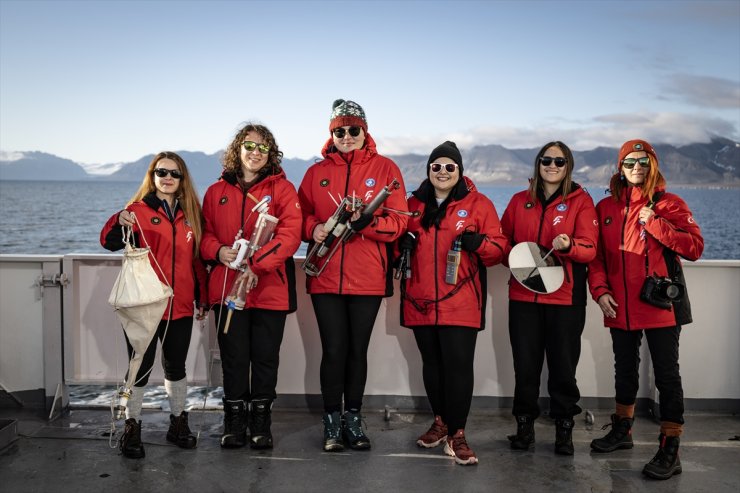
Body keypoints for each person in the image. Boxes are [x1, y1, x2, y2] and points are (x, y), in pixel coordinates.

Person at [588, 139, 703, 479]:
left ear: (653, 165)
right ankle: (622, 431)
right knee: (624, 369)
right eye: (629, 162)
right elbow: (596, 258)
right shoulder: (605, 208)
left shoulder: (669, 203)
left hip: (660, 306)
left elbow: (695, 247)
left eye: (643, 161)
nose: (636, 167)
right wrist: (600, 291)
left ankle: (671, 447)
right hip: (619, 306)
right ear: (619, 168)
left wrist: (655, 223)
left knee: (667, 376)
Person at [298, 99, 408, 452]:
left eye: (353, 130)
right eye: (339, 131)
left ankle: (354, 419)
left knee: (356, 351)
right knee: (334, 350)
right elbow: (298, 218)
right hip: (325, 276)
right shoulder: (316, 173)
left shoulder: (387, 168)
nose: (346, 136)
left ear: (365, 131)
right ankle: (331, 420)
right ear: (332, 133)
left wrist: (370, 223)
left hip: (368, 278)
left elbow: (400, 222)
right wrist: (313, 228)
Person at [399, 141, 507, 465]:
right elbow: (394, 248)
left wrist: (480, 244)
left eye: (449, 167)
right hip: (419, 302)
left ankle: (457, 434)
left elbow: (499, 250)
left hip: (461, 303)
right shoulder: (413, 205)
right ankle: (440, 422)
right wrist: (399, 244)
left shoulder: (478, 204)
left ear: (459, 171)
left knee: (458, 368)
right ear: (428, 170)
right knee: (431, 366)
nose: (442, 172)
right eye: (436, 167)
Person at [200, 123, 302, 450]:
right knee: (233, 358)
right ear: (237, 149)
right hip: (228, 288)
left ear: (270, 153)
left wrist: (257, 265)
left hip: (270, 290)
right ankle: (233, 423)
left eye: (262, 148)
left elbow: (290, 236)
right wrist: (218, 251)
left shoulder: (283, 190)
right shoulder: (216, 193)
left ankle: (261, 424)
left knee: (264, 358)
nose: (255, 153)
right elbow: (204, 235)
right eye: (249, 146)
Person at [100, 151, 208, 459]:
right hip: (144, 305)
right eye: (162, 172)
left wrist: (204, 299)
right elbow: (108, 242)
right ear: (153, 175)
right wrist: (115, 219)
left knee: (176, 367)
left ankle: (177, 424)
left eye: (175, 173)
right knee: (140, 368)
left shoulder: (192, 214)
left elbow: (198, 262)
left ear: (182, 179)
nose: (168, 178)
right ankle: (131, 428)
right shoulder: (136, 211)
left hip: (182, 306)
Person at [500, 141, 598, 455]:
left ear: (568, 166)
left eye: (559, 161)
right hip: (524, 299)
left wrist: (569, 245)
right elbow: (505, 246)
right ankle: (524, 427)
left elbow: (590, 250)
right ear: (538, 164)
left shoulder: (581, 202)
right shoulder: (518, 202)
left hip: (566, 300)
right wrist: (511, 256)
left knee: (563, 368)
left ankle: (564, 431)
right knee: (525, 366)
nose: (552, 166)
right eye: (546, 160)